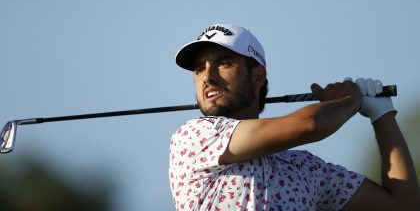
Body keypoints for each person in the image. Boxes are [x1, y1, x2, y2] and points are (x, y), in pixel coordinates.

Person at [169, 24, 419, 210]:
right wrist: (350, 100)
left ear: (257, 76)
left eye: (223, 63)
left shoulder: (306, 168)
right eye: (199, 69)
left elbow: (403, 205)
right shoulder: (193, 137)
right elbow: (310, 125)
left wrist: (383, 115)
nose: (207, 76)